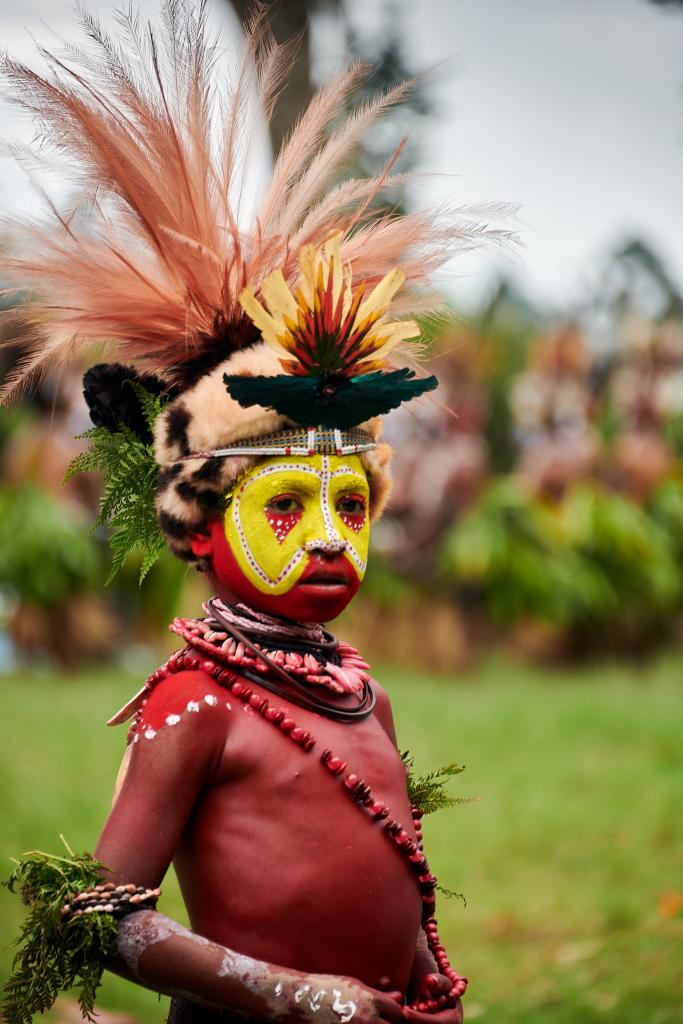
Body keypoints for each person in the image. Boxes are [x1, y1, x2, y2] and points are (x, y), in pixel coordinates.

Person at [1, 4, 509, 1021]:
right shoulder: (192, 705)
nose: (329, 534)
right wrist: (290, 995)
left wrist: (417, 977)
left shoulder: (358, 687)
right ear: (199, 521)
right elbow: (104, 914)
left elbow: (388, 872)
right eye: (284, 506)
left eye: (351, 504)